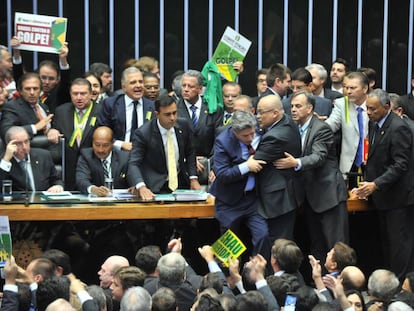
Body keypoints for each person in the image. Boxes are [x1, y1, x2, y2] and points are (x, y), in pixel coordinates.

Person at [275, 91, 349, 261]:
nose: (293, 110)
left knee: (337, 247)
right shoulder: (294, 128)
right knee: (317, 245)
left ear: (309, 109)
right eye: (292, 106)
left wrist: (296, 163)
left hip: (329, 195)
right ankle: (321, 284)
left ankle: (342, 284)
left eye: (298, 106)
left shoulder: (321, 129)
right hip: (310, 197)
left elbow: (319, 157)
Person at [351, 89, 414, 280]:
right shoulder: (374, 124)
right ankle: (389, 284)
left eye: (373, 109)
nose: (369, 112)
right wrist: (364, 186)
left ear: (387, 108)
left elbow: (400, 164)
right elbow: (375, 160)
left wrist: (376, 184)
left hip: (399, 197)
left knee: (399, 246)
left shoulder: (398, 127)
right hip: (382, 198)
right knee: (386, 244)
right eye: (367, 108)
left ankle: (402, 287)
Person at [210, 110, 269, 256]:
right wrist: (246, 166)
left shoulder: (260, 131)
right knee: (228, 246)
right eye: (245, 136)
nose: (250, 138)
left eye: (252, 134)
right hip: (229, 202)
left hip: (252, 199)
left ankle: (258, 272)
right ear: (235, 132)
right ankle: (227, 277)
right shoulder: (222, 141)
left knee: (263, 235)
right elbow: (222, 174)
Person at [128, 95, 201, 201]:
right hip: (154, 187)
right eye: (167, 114)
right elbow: (133, 163)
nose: (172, 118)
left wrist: (193, 178)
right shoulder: (143, 133)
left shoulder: (183, 125)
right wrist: (141, 186)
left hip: (181, 185)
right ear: (157, 114)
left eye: (175, 113)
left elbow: (190, 152)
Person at [254, 95, 301, 242]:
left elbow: (255, 162)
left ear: (275, 113)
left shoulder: (276, 136)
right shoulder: (286, 120)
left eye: (262, 112)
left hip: (278, 200)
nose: (258, 116)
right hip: (286, 192)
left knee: (279, 243)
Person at [53, 78, 101, 190]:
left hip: (92, 169)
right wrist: (52, 131)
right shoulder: (61, 111)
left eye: (83, 94)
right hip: (69, 170)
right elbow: (56, 131)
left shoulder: (101, 110)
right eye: (75, 94)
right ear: (70, 94)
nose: (79, 97)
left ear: (91, 94)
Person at [325, 71, 370, 188]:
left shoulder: (374, 103)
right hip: (350, 163)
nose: (348, 91)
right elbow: (331, 124)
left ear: (365, 89)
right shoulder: (341, 104)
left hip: (372, 160)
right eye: (345, 87)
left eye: (353, 88)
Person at [97, 66, 155, 151]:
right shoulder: (110, 104)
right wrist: (121, 145)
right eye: (133, 82)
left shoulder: (152, 106)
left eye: (141, 82)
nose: (138, 85)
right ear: (124, 87)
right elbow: (102, 133)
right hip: (118, 153)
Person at [11, 37, 71, 114]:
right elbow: (19, 78)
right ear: (37, 76)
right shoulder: (30, 91)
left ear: (58, 80)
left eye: (51, 79)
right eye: (43, 77)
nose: (46, 82)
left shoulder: (59, 95)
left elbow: (65, 82)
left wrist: (63, 59)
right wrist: (16, 52)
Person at [177, 69, 223, 166]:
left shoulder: (213, 108)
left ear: (200, 89)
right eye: (183, 85)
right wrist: (189, 159)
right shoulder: (174, 109)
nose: (186, 89)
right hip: (182, 164)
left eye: (190, 86)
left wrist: (210, 162)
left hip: (209, 162)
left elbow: (219, 139)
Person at [0, 72, 62, 144]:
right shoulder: (12, 107)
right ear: (20, 91)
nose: (32, 92)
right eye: (27, 89)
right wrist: (34, 128)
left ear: (41, 91)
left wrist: (52, 131)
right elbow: (6, 132)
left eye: (35, 89)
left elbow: (48, 128)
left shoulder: (43, 107)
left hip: (50, 148)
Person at [0, 126, 63, 192]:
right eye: (19, 143)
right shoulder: (4, 162)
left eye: (26, 141)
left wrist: (57, 186)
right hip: (18, 201)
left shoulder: (43, 155)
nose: (24, 147)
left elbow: (56, 179)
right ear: (9, 145)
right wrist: (6, 160)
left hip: (43, 200)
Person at [76, 126, 129, 196]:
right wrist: (93, 189)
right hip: (94, 204)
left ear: (112, 144)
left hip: (120, 203)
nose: (100, 149)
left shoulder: (124, 158)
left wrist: (135, 187)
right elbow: (81, 180)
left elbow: (132, 179)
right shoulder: (86, 156)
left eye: (105, 145)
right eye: (97, 145)